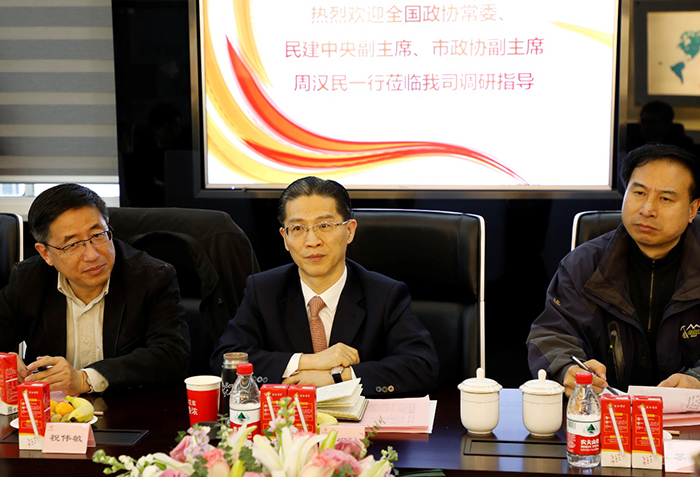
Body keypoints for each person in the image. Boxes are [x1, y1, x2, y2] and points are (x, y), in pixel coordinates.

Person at [211, 176, 439, 397]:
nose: (312, 241)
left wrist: (337, 377)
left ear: (349, 231)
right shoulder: (264, 290)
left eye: (324, 225)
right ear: (284, 238)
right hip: (287, 419)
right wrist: (308, 361)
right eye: (298, 228)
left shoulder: (385, 294)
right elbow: (226, 359)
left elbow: (421, 365)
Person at [527, 143, 700, 396]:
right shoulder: (584, 266)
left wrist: (697, 380)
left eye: (665, 198)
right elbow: (553, 334)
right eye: (639, 193)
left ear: (692, 209)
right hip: (603, 411)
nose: (647, 209)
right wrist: (567, 368)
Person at [0, 183, 190, 395]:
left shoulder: (151, 278)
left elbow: (173, 355)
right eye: (72, 244)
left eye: (98, 235)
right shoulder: (28, 280)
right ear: (45, 253)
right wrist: (3, 361)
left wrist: (85, 379)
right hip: (51, 410)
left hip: (127, 407)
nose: (92, 255)